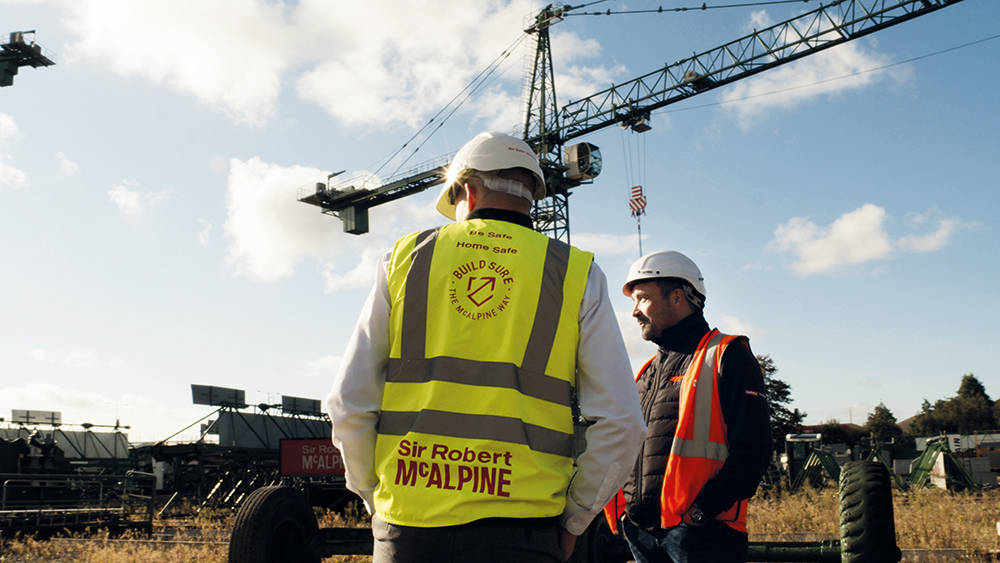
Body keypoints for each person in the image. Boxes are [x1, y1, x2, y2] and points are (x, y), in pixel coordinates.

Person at [326, 131, 646, 563]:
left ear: (468, 190)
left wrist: (374, 496)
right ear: (532, 197)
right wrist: (575, 519)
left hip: (410, 526)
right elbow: (622, 422)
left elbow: (348, 404)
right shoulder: (576, 273)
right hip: (525, 531)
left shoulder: (404, 260)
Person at [604, 250, 772, 563]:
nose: (634, 312)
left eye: (642, 299)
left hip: (703, 536)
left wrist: (702, 512)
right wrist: (627, 515)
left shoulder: (727, 354)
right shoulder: (646, 372)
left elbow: (755, 451)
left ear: (677, 298)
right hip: (642, 534)